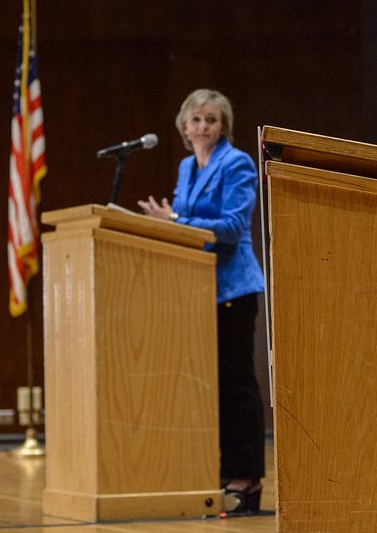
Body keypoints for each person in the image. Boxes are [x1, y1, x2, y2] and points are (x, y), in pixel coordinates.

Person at [137, 89, 266, 514]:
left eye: (212, 119)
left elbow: (230, 227)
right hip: (196, 290)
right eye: (196, 119)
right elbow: (187, 225)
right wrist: (168, 227)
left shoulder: (237, 163)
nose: (203, 126)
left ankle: (246, 477)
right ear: (184, 126)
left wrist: (173, 219)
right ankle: (220, 471)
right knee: (211, 387)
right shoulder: (186, 166)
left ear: (223, 126)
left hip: (234, 289)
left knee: (237, 386)